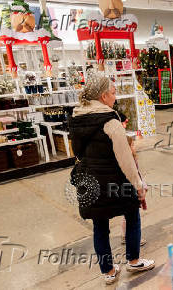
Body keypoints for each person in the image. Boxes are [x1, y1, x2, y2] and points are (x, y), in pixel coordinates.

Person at [69, 74, 154, 285]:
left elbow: (77, 152)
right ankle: (133, 260)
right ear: (104, 95)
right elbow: (125, 160)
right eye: (114, 94)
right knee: (132, 216)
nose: (116, 98)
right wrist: (138, 185)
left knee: (100, 226)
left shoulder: (76, 117)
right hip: (114, 181)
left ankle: (108, 272)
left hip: (89, 180)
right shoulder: (110, 121)